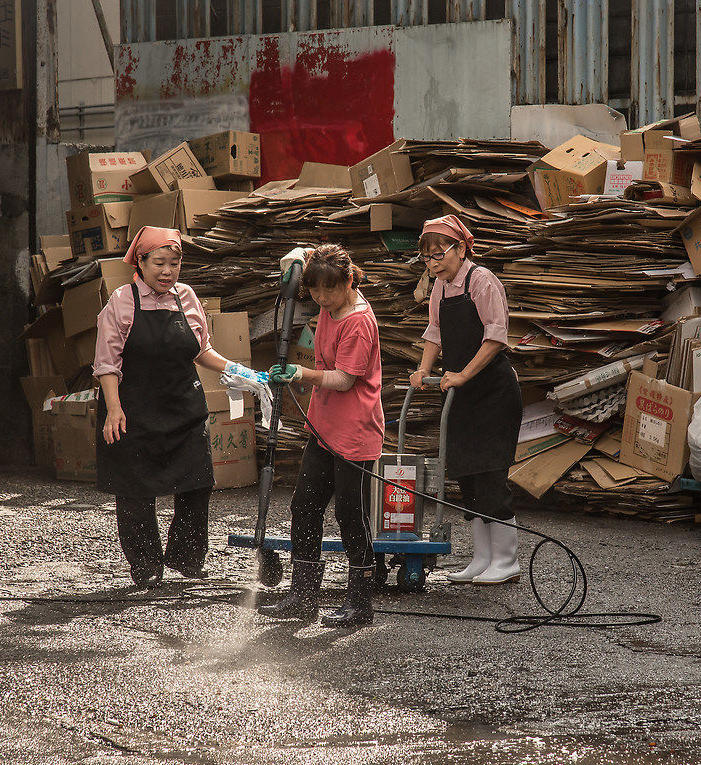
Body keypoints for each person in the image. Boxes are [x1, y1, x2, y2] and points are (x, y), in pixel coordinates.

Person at [93, 226, 239, 587]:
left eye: (174, 263)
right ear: (140, 262)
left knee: (197, 481)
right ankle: (145, 566)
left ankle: (186, 558)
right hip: (132, 411)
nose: (167, 271)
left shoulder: (186, 297)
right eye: (158, 262)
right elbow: (107, 364)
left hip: (182, 408)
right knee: (135, 490)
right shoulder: (122, 301)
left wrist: (239, 371)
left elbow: (201, 350)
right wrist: (113, 409)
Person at [264, 244, 384, 628]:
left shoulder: (358, 322)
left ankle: (360, 601)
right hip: (323, 426)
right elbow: (304, 253)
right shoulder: (328, 305)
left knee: (351, 515)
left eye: (329, 291)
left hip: (355, 431)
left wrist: (301, 375)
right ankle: (303, 596)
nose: (321, 298)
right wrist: (296, 262)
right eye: (314, 290)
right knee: (305, 506)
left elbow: (344, 379)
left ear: (349, 282)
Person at [410, 215, 524, 585]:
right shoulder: (440, 288)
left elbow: (495, 337)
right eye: (427, 257)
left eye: (439, 253)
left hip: (492, 392)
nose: (434, 262)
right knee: (468, 475)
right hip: (460, 394)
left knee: (491, 472)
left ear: (461, 248)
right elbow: (435, 331)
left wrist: (462, 374)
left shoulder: (482, 280)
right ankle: (482, 558)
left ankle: (506, 562)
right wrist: (422, 369)